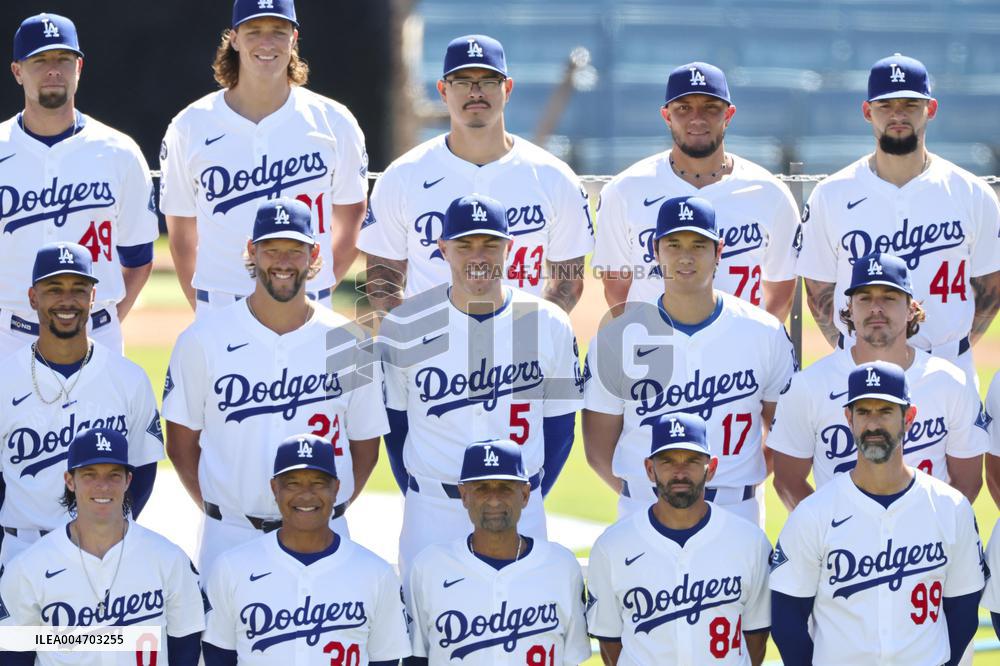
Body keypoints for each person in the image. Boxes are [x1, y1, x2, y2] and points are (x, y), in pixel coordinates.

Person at [163, 198, 387, 576]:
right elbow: (180, 445)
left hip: (325, 535)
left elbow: (365, 447)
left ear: (314, 254)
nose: (282, 261)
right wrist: (226, 511)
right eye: (271, 249)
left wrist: (324, 512)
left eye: (294, 250)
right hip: (230, 535)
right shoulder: (203, 340)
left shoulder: (349, 342)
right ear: (252, 251)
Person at [378, 194, 583, 577]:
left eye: (490, 244)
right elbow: (395, 428)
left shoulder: (549, 323)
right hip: (433, 510)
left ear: (509, 247)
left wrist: (526, 496)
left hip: (520, 507)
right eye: (464, 245)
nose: (478, 256)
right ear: (443, 250)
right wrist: (422, 492)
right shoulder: (403, 327)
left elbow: (561, 431)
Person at [583, 196, 795, 526]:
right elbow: (598, 451)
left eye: (698, 245)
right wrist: (663, 499)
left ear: (719, 251)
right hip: (643, 510)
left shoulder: (764, 333)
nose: (686, 256)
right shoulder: (617, 339)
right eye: (674, 244)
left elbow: (788, 440)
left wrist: (737, 479)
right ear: (656, 251)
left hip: (735, 513)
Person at [797, 53, 1000, 383]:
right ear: (867, 112)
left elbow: (990, 286)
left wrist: (952, 349)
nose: (898, 114)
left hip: (948, 367)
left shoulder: (971, 192)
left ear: (930, 109)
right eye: (886, 105)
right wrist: (853, 348)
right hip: (860, 370)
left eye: (910, 104)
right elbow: (819, 288)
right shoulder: (831, 194)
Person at [359, 34, 593, 315]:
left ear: (507, 88)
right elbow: (382, 277)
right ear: (443, 90)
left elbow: (568, 281)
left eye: (488, 81)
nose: (475, 92)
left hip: (520, 349)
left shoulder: (554, 177)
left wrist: (535, 337)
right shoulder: (403, 176)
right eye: (462, 81)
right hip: (433, 349)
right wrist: (411, 341)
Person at [160, 0, 368, 315]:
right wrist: (202, 303)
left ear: (294, 38)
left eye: (278, 31)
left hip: (308, 306)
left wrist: (316, 286)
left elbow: (352, 216)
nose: (266, 43)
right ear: (234, 38)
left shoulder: (334, 121)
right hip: (221, 305)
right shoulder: (190, 125)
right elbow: (180, 229)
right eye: (254, 31)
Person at [770, 361, 985, 666]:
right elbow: (787, 618)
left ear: (908, 417)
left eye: (885, 411)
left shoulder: (950, 507)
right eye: (863, 411)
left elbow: (964, 609)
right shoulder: (813, 515)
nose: (873, 424)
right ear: (849, 418)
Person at [770, 251, 987, 509]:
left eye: (889, 297)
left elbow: (968, 482)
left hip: (923, 543)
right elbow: (787, 481)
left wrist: (928, 534)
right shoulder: (808, 386)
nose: (876, 308)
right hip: (842, 542)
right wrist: (827, 533)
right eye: (865, 298)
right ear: (850, 308)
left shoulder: (951, 383)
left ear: (911, 309)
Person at [0, 12, 157, 355]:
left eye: (63, 58)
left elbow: (139, 256)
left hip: (97, 333)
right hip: (9, 337)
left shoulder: (119, 152)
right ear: (17, 71)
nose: (53, 69)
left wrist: (105, 321)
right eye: (40, 60)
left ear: (79, 69)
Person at [592, 61, 799, 321]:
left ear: (729, 115)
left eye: (711, 108)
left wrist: (752, 342)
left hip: (738, 351)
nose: (697, 118)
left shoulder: (770, 193)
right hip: (659, 348)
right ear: (667, 116)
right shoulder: (625, 190)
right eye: (683, 108)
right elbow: (617, 289)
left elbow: (780, 293)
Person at [0, 243, 162, 565]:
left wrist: (110, 534)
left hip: (105, 553)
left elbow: (143, 471)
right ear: (33, 297)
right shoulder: (5, 378)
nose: (67, 300)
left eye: (78, 288)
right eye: (54, 288)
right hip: (22, 552)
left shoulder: (129, 378)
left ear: (92, 296)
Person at [0, 428, 204, 665]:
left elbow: (185, 650)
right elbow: (14, 655)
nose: (103, 486)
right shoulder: (28, 570)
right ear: (70, 481)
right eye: (89, 474)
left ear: (128, 480)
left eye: (114, 475)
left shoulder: (169, 560)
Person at [203, 434, 411, 665]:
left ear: (336, 489)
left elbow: (385, 659)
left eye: (318, 483)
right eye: (293, 483)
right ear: (275, 488)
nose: (306, 494)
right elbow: (218, 655)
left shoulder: (376, 575)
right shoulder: (232, 568)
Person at [586, 412, 772, 665]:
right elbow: (609, 640)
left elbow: (757, 634)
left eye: (692, 461)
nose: (680, 472)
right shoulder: (612, 547)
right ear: (650, 469)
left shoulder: (751, 542)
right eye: (668, 461)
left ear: (712, 468)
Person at [405, 439, 590, 665]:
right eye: (482, 488)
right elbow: (416, 658)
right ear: (464, 495)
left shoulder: (561, 567)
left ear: (524, 494)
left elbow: (572, 657)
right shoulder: (429, 568)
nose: (494, 500)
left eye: (505, 487)